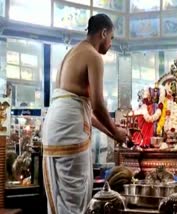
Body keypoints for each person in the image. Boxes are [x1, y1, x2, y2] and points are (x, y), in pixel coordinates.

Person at [42, 14, 129, 214]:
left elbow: (85, 112)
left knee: (59, 196)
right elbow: (97, 104)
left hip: (55, 129)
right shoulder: (93, 55)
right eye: (112, 37)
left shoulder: (71, 53)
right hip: (70, 131)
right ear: (104, 32)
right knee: (75, 198)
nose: (111, 42)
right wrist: (115, 132)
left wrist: (111, 131)